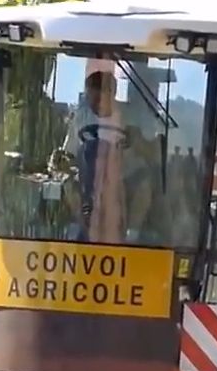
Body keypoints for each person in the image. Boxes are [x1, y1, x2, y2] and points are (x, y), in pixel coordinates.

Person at [58, 70, 153, 243]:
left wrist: (136, 140)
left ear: (113, 93)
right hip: (88, 179)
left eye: (99, 99)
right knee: (67, 182)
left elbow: (149, 152)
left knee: (145, 183)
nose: (95, 104)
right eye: (91, 99)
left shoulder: (130, 116)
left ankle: (132, 234)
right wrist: (61, 162)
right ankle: (85, 228)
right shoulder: (81, 117)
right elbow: (69, 153)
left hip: (124, 177)